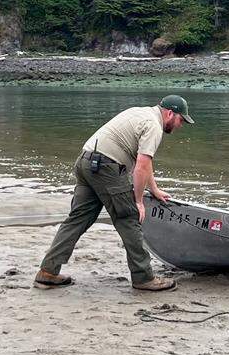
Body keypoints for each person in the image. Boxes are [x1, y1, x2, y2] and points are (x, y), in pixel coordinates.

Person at [34, 95, 195, 292]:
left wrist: (153, 189)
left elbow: (144, 163)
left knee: (77, 219)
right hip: (105, 166)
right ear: (170, 113)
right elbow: (141, 167)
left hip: (86, 161)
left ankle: (48, 272)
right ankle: (143, 278)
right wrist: (137, 202)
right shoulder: (153, 125)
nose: (180, 125)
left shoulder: (140, 112)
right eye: (180, 120)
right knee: (128, 218)